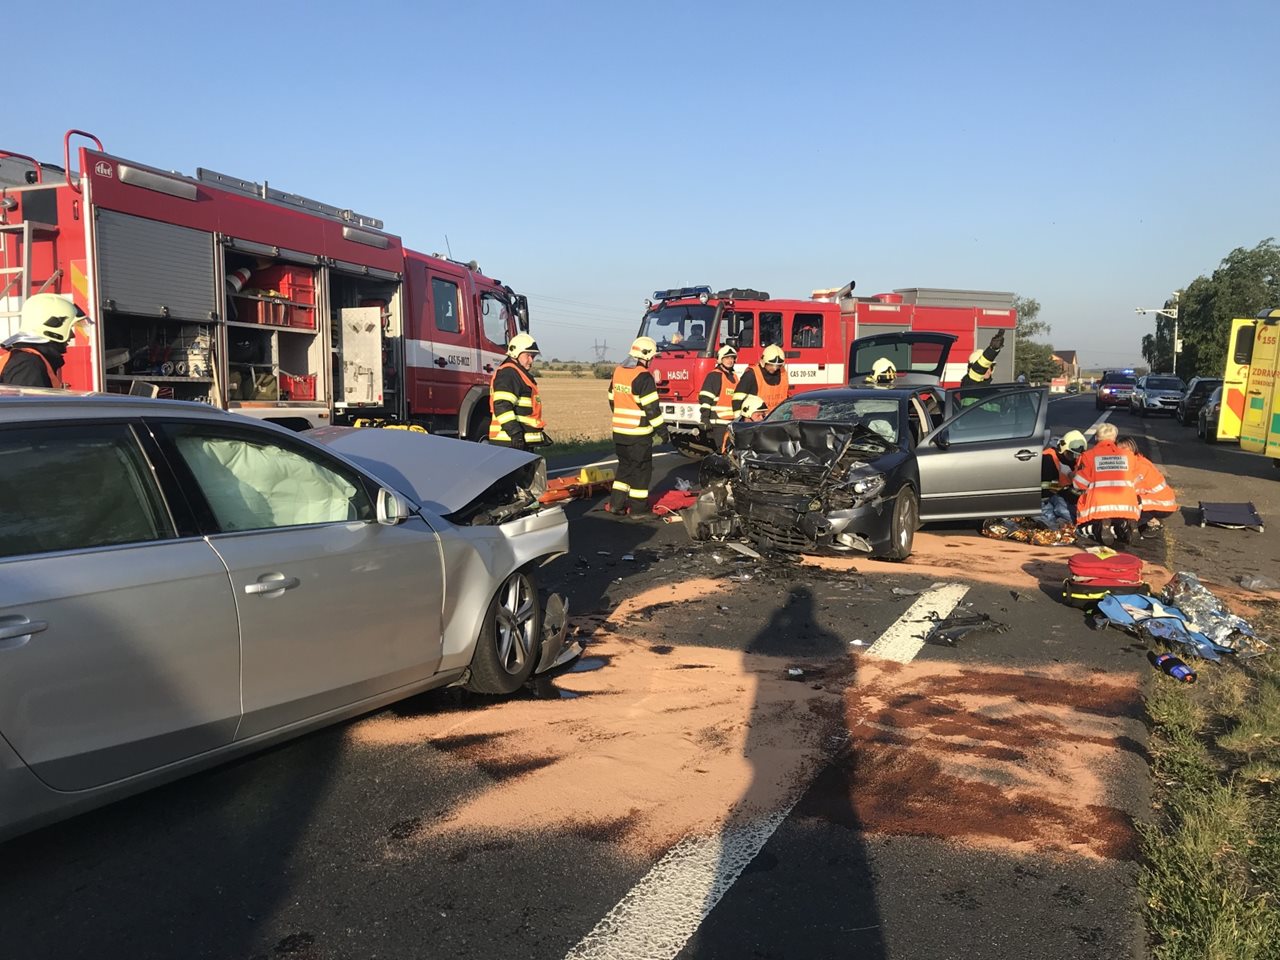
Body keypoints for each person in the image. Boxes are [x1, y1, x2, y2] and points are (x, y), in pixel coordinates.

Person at [606, 336, 667, 516]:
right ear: (646, 356)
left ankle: (616, 504)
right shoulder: (644, 376)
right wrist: (662, 431)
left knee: (624, 468)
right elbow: (652, 409)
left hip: (619, 431)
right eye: (652, 357)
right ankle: (639, 510)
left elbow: (611, 398)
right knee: (641, 471)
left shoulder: (619, 371)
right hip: (638, 434)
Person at [1071, 422, 1141, 544]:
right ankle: (1129, 524)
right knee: (1123, 511)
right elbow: (1136, 479)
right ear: (1114, 438)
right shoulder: (1129, 456)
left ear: (1096, 438)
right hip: (1127, 505)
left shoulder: (1089, 456)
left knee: (1082, 526)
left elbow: (1079, 483)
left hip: (1099, 505)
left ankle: (1101, 526)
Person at [0, 293, 89, 388]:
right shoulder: (28, 364)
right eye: (70, 328)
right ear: (53, 325)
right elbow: (27, 398)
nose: (72, 335)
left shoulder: (28, 360)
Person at [487, 333, 546, 448]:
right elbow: (502, 405)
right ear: (515, 354)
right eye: (528, 356)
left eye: (533, 356)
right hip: (509, 442)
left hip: (518, 442)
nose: (531, 361)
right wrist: (515, 434)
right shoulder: (509, 374)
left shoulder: (518, 374)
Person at [1118, 436, 1178, 536]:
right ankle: (1148, 520)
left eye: (1124, 449)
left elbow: (1128, 490)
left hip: (1162, 505)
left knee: (1127, 512)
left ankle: (1152, 522)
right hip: (1160, 501)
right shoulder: (1138, 460)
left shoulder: (1138, 467)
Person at [1041, 429, 1087, 525]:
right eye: (1071, 454)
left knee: (1072, 516)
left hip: (1063, 494)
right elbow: (1043, 486)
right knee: (1053, 518)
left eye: (1077, 455)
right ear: (1063, 449)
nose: (1075, 458)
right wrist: (1062, 488)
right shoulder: (1048, 458)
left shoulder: (1074, 461)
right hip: (1045, 496)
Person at [698, 345, 739, 452]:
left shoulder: (735, 377)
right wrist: (705, 418)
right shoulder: (714, 376)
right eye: (727, 358)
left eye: (732, 358)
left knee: (732, 451)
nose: (730, 361)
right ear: (721, 359)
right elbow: (706, 398)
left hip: (732, 422)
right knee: (723, 451)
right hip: (718, 423)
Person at [733, 344, 789, 417]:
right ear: (763, 362)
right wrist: (738, 420)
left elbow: (787, 396)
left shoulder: (783, 373)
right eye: (771, 365)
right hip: (758, 420)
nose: (775, 368)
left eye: (778, 365)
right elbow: (737, 399)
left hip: (779, 418)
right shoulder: (751, 375)